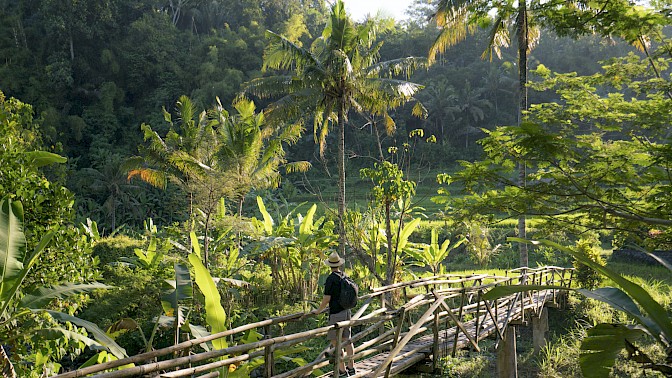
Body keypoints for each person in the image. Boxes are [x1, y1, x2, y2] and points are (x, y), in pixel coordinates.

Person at [311, 251, 356, 377]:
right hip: (346, 311)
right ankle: (351, 368)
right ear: (339, 264)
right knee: (347, 340)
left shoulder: (331, 279)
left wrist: (318, 310)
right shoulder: (344, 275)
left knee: (336, 342)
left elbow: (326, 298)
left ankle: (342, 371)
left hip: (336, 313)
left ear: (329, 265)